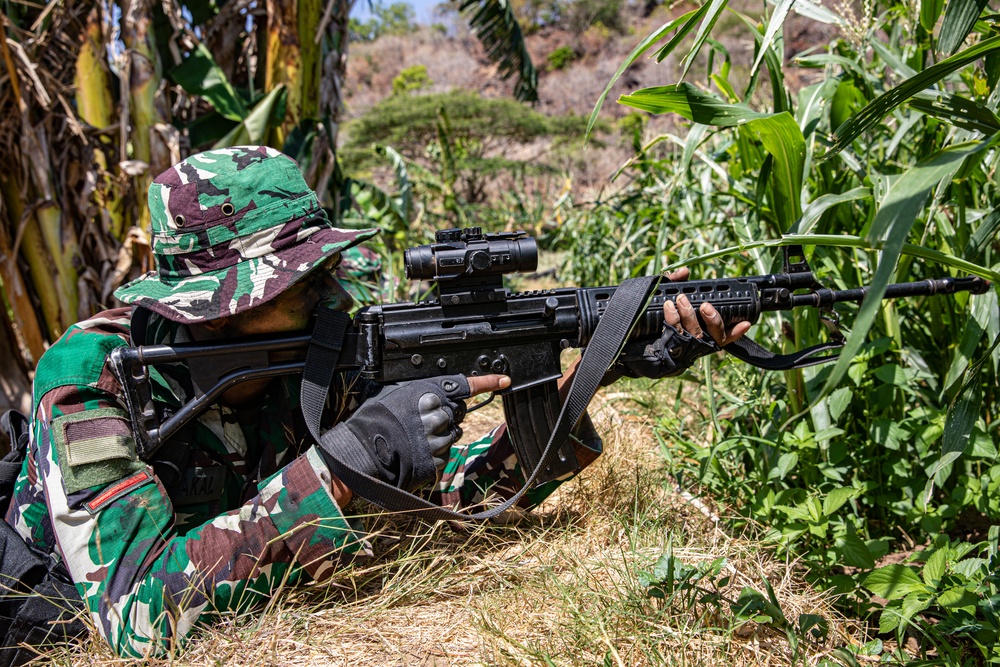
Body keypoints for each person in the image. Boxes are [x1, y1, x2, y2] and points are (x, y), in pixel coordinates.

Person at [3, 146, 748, 658]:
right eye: (295, 282)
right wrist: (339, 466)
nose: (328, 292)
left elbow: (464, 492)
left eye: (320, 270)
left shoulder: (317, 348)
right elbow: (137, 620)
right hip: (48, 608)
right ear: (215, 307)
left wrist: (594, 373)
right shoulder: (92, 379)